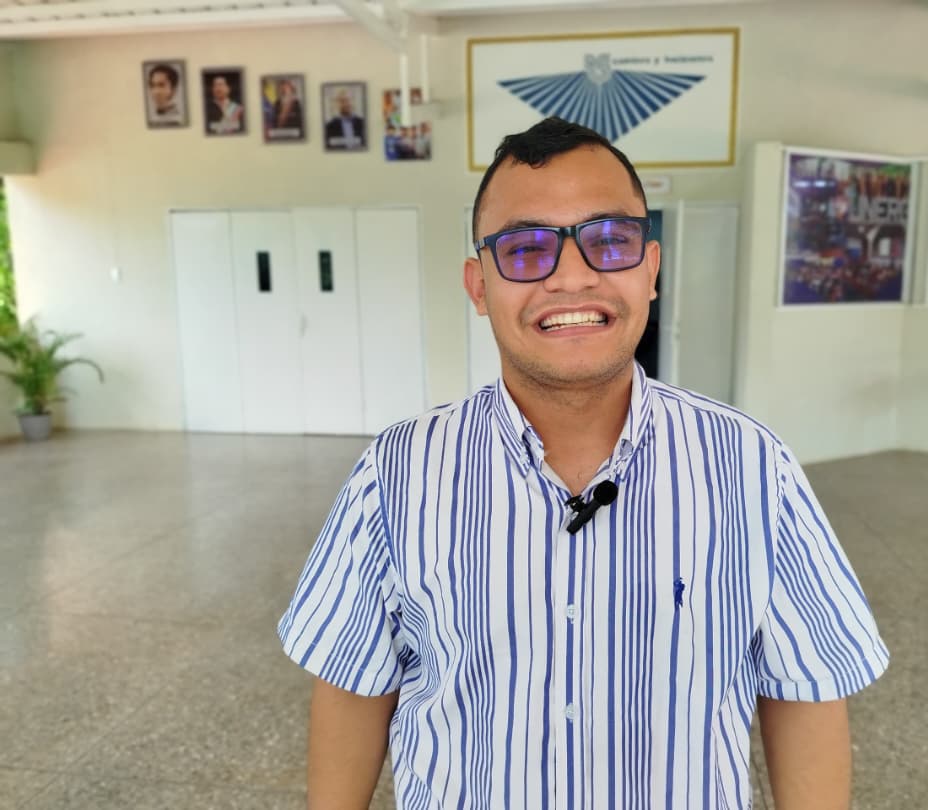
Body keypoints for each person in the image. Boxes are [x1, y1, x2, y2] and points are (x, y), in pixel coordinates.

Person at [279, 116, 889, 809]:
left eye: (609, 241)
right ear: (479, 288)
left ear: (650, 270)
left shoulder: (752, 468)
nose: (572, 276)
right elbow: (353, 685)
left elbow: (807, 688)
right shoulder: (396, 475)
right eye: (526, 249)